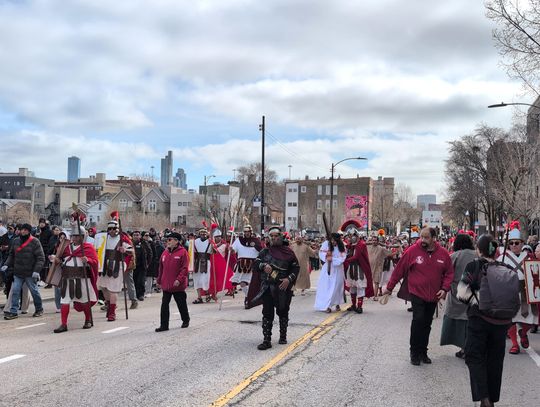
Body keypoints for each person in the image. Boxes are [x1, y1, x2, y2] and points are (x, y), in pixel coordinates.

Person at [383, 227, 454, 365]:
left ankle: (423, 352)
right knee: (418, 320)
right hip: (417, 292)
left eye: (426, 237)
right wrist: (389, 288)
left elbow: (449, 273)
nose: (422, 240)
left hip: (433, 295)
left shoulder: (443, 254)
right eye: (421, 237)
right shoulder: (412, 251)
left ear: (434, 238)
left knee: (427, 324)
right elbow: (399, 270)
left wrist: (445, 289)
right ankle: (414, 352)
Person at [457, 234, 513, 407]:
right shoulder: (505, 268)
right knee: (495, 361)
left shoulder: (473, 266)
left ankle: (484, 397)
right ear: (495, 251)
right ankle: (492, 399)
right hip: (501, 322)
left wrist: (478, 301)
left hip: (479, 319)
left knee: (474, 356)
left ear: (478, 250)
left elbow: (461, 293)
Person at [251, 226, 299, 350]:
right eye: (271, 236)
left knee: (283, 311)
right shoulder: (264, 252)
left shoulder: (289, 252)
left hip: (283, 286)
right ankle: (266, 340)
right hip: (267, 286)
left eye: (276, 236)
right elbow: (256, 264)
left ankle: (283, 336)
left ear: (281, 237)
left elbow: (295, 268)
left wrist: (289, 279)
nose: (273, 238)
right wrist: (263, 266)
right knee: (267, 312)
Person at [497, 222, 537, 354]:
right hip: (510, 292)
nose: (514, 245)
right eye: (511, 243)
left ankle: (523, 333)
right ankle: (514, 344)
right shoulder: (502, 258)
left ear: (522, 243)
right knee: (511, 320)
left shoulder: (530, 257)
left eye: (517, 243)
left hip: (526, 291)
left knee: (531, 319)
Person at [50, 225, 99, 333]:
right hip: (67, 278)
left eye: (78, 236)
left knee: (85, 300)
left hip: (82, 278)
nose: (75, 238)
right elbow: (62, 261)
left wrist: (88, 260)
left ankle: (88, 320)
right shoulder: (66, 248)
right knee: (64, 301)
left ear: (83, 236)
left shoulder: (88, 248)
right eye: (74, 236)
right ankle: (63, 324)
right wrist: (56, 260)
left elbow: (95, 262)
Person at [440, 233, 476, 358]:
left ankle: (463, 347)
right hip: (475, 293)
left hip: (457, 293)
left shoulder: (454, 256)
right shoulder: (477, 255)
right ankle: (470, 347)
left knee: (460, 322)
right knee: (472, 321)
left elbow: (446, 273)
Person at [94, 214, 134, 321]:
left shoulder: (122, 239)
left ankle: (112, 312)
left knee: (113, 290)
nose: (112, 230)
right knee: (103, 287)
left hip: (117, 266)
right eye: (110, 228)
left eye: (114, 228)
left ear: (118, 229)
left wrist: (125, 250)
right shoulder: (103, 238)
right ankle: (109, 306)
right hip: (104, 266)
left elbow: (132, 251)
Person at [3, 223, 45, 319]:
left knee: (34, 291)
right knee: (15, 291)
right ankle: (13, 311)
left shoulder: (35, 241)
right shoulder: (16, 241)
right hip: (18, 272)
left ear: (29, 231)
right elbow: (11, 255)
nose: (23, 231)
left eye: (25, 230)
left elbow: (41, 258)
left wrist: (36, 271)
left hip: (30, 273)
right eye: (22, 229)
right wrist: (6, 264)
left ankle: (39, 309)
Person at [155, 232, 190, 331]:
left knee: (181, 304)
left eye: (170, 239)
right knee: (164, 305)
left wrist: (179, 279)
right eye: (167, 240)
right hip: (166, 284)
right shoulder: (165, 252)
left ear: (176, 241)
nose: (168, 241)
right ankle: (164, 325)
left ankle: (185, 319)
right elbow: (161, 268)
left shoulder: (183, 252)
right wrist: (159, 280)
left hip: (177, 285)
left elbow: (184, 268)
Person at [342, 222, 374, 314]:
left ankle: (359, 307)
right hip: (351, 268)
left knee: (360, 286)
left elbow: (356, 257)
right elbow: (347, 252)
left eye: (351, 236)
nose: (350, 238)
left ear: (356, 235)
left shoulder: (361, 244)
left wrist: (345, 260)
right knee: (352, 287)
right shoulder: (351, 245)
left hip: (359, 268)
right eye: (349, 236)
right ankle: (353, 305)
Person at [231, 223, 262, 307]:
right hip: (242, 265)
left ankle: (249, 299)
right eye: (245, 232)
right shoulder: (239, 240)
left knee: (252, 284)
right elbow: (233, 251)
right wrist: (231, 250)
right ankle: (248, 297)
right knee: (242, 283)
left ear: (251, 232)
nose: (246, 233)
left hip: (253, 265)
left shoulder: (256, 240)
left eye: (248, 231)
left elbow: (261, 251)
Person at [314, 232, 347, 313]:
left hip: (338, 269)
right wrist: (326, 256)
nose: (333, 242)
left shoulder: (342, 246)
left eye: (335, 240)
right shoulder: (326, 244)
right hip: (328, 269)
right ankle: (326, 305)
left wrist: (332, 259)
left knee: (337, 287)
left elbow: (342, 258)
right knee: (327, 287)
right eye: (332, 240)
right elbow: (321, 252)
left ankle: (337, 303)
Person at [367, 235, 393, 300]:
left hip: (378, 267)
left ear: (378, 241)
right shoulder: (368, 246)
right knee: (368, 282)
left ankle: (375, 296)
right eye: (373, 240)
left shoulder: (381, 248)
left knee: (377, 282)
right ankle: (368, 294)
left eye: (375, 240)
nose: (374, 241)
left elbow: (389, 253)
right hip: (369, 267)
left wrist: (389, 247)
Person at [192, 228, 213, 304]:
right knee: (197, 279)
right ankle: (199, 297)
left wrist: (213, 245)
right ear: (199, 234)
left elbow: (214, 252)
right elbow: (191, 252)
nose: (203, 235)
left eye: (204, 234)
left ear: (206, 234)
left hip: (206, 262)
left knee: (205, 279)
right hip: (197, 262)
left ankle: (207, 294)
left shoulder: (210, 241)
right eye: (201, 234)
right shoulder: (195, 242)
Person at [132, 230, 153, 301]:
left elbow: (150, 253)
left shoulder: (144, 243)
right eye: (134, 235)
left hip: (142, 266)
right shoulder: (130, 243)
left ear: (140, 236)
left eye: (137, 235)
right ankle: (135, 295)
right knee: (134, 281)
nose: (136, 236)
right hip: (133, 266)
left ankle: (141, 295)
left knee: (141, 281)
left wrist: (147, 263)